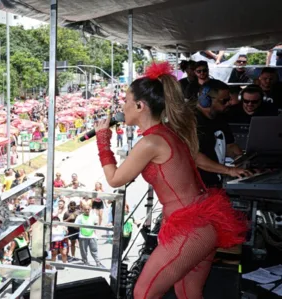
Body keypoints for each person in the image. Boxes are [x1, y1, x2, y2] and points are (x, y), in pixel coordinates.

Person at [94, 62, 247, 298]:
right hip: (202, 222)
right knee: (188, 293)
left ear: (139, 105)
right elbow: (193, 159)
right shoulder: (169, 132)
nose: (122, 106)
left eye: (125, 101)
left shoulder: (150, 143)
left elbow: (114, 179)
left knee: (144, 293)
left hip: (189, 229)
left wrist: (102, 139)